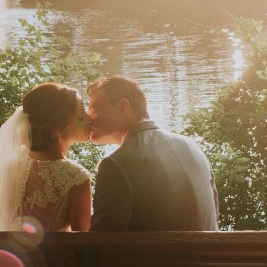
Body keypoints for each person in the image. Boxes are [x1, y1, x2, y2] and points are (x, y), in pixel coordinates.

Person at [0, 83, 93, 232]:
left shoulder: (8, 168)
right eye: (80, 117)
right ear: (57, 130)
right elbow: (82, 242)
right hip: (53, 256)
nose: (90, 119)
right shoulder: (76, 177)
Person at [86, 76, 219, 231]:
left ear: (122, 106)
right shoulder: (192, 146)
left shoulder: (116, 165)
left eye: (94, 109)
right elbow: (214, 215)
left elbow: (100, 243)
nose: (88, 119)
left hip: (159, 256)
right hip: (213, 254)